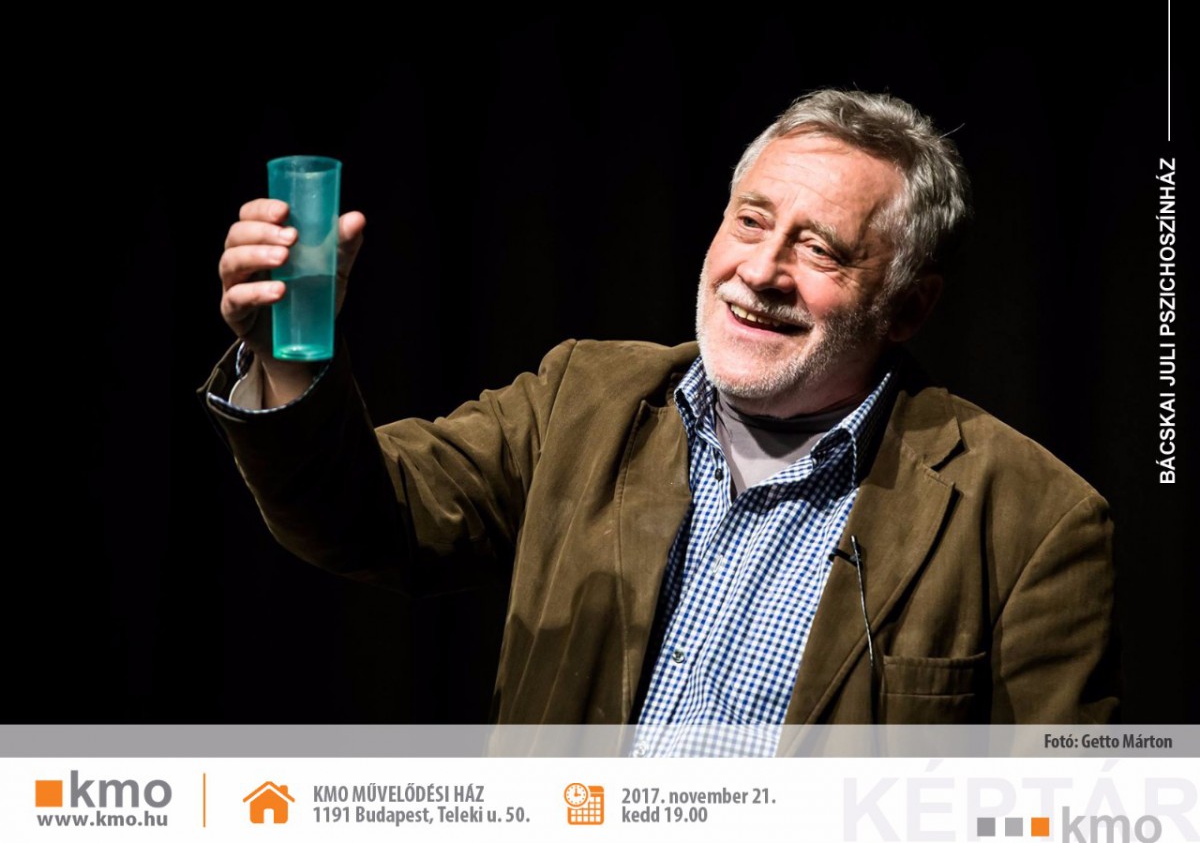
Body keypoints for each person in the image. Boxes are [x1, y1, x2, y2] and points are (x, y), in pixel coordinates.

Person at [201, 90, 1117, 751]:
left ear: (908, 307)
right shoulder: (583, 398)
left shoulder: (1032, 520)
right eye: (751, 221)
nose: (760, 271)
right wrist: (292, 356)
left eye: (819, 249)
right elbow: (365, 517)